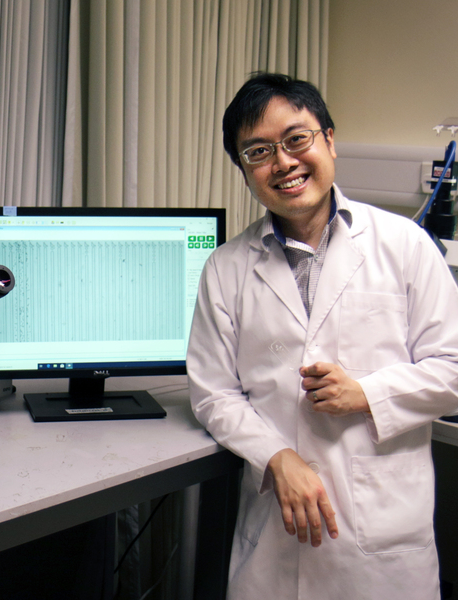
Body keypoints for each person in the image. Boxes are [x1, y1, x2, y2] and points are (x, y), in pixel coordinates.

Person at [187, 72, 458, 599]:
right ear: (244, 171)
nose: (283, 162)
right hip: (274, 537)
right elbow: (213, 393)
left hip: (380, 545)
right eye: (258, 151)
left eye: (296, 139)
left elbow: (452, 368)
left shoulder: (405, 245)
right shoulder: (226, 267)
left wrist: (367, 393)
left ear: (329, 140)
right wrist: (275, 455)